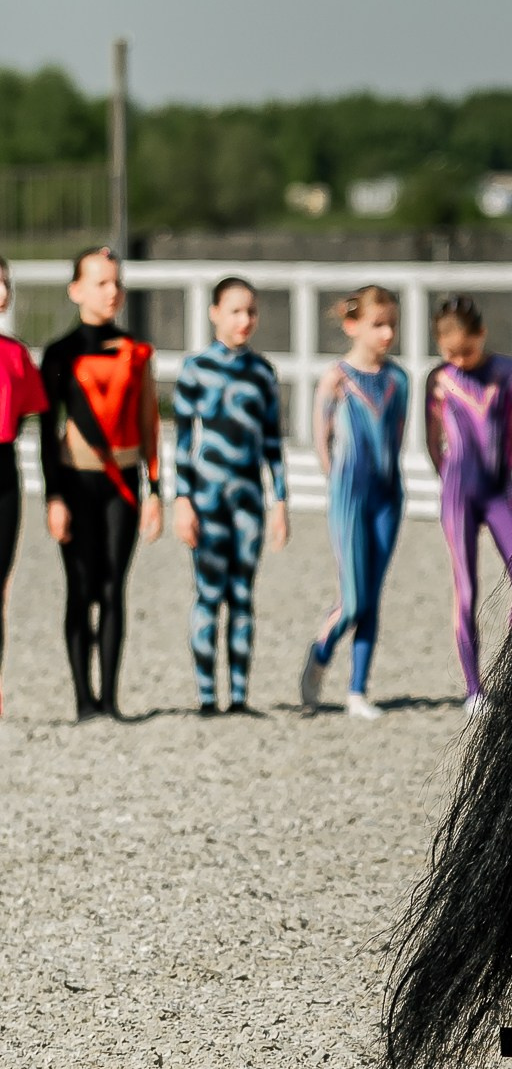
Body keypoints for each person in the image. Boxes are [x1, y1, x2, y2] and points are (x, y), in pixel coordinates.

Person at [37, 246, 162, 719]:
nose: (113, 292)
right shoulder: (59, 354)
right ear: (76, 290)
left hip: (123, 486)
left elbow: (150, 424)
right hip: (75, 484)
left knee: (113, 588)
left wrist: (155, 491)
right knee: (81, 586)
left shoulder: (135, 350)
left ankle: (110, 699)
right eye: (101, 283)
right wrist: (53, 496)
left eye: (117, 283)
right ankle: (82, 700)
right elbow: (47, 433)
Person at [172, 275, 289, 714]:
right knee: (208, 593)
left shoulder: (262, 373)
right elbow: (182, 442)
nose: (244, 320)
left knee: (243, 595)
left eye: (251, 312)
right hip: (207, 498)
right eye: (236, 311)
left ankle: (239, 695)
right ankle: (206, 695)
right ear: (214, 313)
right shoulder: (196, 369)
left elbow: (272, 443)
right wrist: (181, 500)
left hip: (248, 501)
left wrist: (280, 500)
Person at [300, 286, 407, 720]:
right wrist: (335, 480)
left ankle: (357, 689)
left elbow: (396, 437)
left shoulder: (399, 379)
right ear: (353, 326)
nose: (387, 334)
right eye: (377, 325)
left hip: (387, 494)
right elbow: (320, 437)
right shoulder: (336, 378)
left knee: (374, 597)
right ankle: (320, 651)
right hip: (349, 494)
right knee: (355, 596)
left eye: (392, 325)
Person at [423, 295, 512, 710]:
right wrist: (448, 478)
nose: (460, 360)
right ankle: (473, 688)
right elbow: (433, 440)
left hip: (497, 489)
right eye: (450, 354)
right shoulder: (439, 380)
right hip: (458, 493)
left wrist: (503, 470)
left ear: (481, 335)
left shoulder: (506, 371)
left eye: (466, 351)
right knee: (465, 588)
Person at [0, 260, 49, 715]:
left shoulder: (15, 355)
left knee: (1, 586)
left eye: (5, 282)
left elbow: (31, 416)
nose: (0, 291)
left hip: (3, 473)